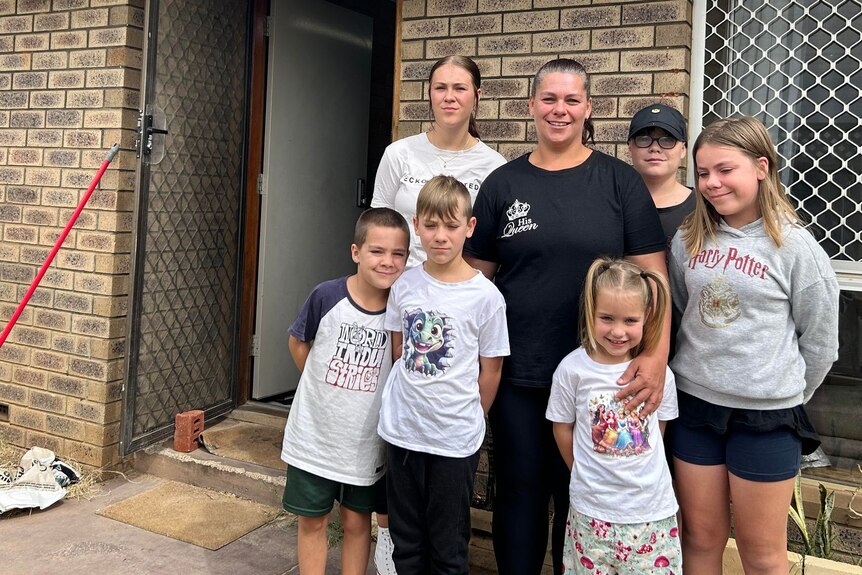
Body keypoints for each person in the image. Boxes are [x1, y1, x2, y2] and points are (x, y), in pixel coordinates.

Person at [465, 58, 670, 575]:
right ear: (531, 105)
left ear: (588, 108)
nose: (560, 110)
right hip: (521, 375)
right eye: (550, 99)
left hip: (604, 381)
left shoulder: (621, 183)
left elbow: (655, 281)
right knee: (519, 495)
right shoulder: (502, 183)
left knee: (582, 498)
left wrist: (654, 357)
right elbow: (473, 284)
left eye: (571, 100)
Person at [668, 116, 839, 574]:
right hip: (696, 409)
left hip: (767, 419)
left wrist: (781, 391)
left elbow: (821, 342)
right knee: (699, 538)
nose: (712, 183)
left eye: (725, 170)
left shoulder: (795, 247)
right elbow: (682, 312)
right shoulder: (689, 238)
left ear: (761, 167)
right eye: (703, 173)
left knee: (761, 554)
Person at [378, 175, 510, 574]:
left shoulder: (485, 295)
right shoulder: (404, 285)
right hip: (402, 433)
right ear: (416, 225)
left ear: (469, 228)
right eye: (431, 225)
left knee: (448, 545)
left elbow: (492, 369)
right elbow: (399, 350)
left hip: (454, 439)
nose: (440, 236)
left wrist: (471, 415)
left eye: (451, 226)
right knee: (407, 541)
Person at [279, 207, 410, 575]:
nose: (387, 261)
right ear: (356, 252)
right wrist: (321, 387)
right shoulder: (327, 296)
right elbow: (298, 343)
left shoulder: (403, 309)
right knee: (313, 521)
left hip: (366, 443)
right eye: (377, 251)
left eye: (397, 254)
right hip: (315, 439)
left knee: (357, 523)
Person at [546, 257, 680, 574]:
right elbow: (562, 427)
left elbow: (657, 428)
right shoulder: (572, 370)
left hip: (650, 512)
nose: (618, 331)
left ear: (647, 318)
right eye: (606, 318)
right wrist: (582, 470)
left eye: (630, 321)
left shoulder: (660, 375)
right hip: (591, 512)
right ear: (590, 313)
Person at [372, 55, 506, 269]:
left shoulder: (494, 166)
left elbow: (490, 247)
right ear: (430, 94)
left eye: (460, 88)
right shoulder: (398, 153)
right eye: (440, 88)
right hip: (399, 287)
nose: (449, 97)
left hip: (457, 293)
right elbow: (377, 228)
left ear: (477, 96)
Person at [627, 103, 696, 249]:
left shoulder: (703, 208)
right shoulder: (613, 204)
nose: (655, 148)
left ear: (683, 149)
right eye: (644, 139)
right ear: (630, 148)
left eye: (667, 140)